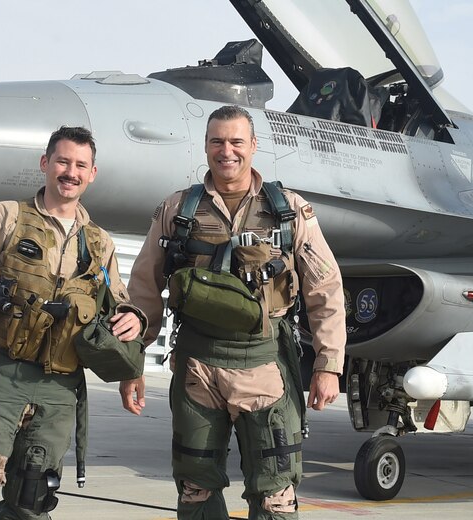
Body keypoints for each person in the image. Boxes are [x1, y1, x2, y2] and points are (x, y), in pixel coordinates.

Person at [120, 105, 346, 520]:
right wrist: (132, 361)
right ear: (205, 147)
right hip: (197, 367)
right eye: (217, 141)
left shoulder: (289, 210)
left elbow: (325, 288)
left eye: (236, 141)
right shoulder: (178, 210)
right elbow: (144, 289)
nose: (227, 151)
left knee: (276, 493)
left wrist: (329, 364)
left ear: (254, 146)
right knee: (194, 488)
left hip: (264, 364)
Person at [0, 125, 145, 520]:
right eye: (62, 161)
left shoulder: (100, 242)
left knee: (33, 499)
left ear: (92, 173)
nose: (71, 172)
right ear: (45, 163)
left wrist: (133, 333)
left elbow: (119, 306)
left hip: (60, 388)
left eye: (81, 165)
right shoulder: (5, 217)